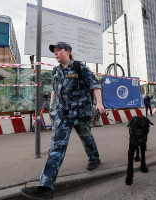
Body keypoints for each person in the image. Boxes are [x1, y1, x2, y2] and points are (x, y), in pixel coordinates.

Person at [21, 42, 105, 199]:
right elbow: (54, 90)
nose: (55, 53)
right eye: (54, 51)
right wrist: (52, 108)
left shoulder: (80, 67)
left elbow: (95, 85)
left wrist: (99, 103)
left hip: (80, 113)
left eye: (58, 50)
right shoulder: (56, 71)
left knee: (86, 137)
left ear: (67, 51)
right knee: (56, 148)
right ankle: (45, 187)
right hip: (62, 116)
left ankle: (94, 158)